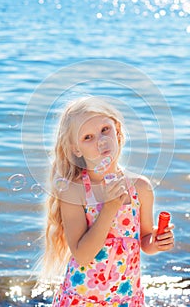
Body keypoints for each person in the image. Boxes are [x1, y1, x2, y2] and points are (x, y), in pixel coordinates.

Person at [41, 96, 174, 306]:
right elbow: (83, 255)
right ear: (76, 149)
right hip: (83, 299)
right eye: (88, 137)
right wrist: (110, 208)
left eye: (105, 130)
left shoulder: (140, 188)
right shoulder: (75, 193)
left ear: (117, 130)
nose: (101, 141)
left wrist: (157, 241)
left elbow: (145, 240)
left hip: (126, 299)